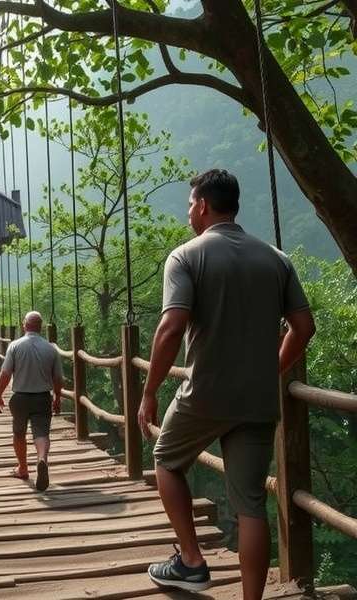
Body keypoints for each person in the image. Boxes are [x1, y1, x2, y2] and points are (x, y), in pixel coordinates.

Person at [138, 170, 316, 597]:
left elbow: (170, 329)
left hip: (204, 393)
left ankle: (193, 562)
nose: (187, 214)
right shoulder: (276, 258)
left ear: (202, 205)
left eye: (188, 205)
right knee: (251, 503)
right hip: (256, 399)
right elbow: (304, 327)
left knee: (165, 460)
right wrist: (271, 369)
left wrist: (149, 391)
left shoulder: (185, 257)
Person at [0, 311, 63, 491]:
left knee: (19, 433)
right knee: (41, 433)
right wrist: (57, 397)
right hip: (42, 397)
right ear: (40, 327)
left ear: (24, 325)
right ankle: (42, 459)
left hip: (20, 398)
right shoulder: (51, 349)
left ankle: (23, 468)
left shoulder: (15, 346)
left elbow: (5, 373)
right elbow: (58, 379)